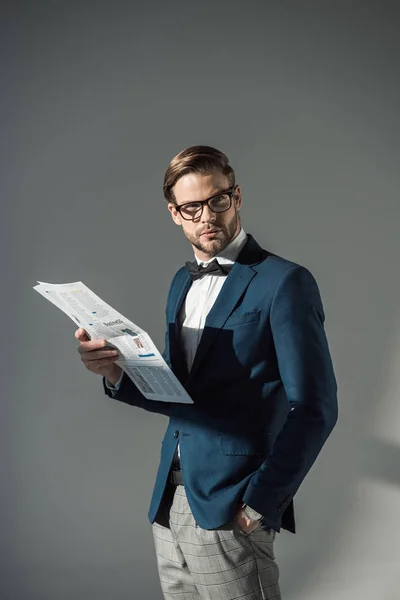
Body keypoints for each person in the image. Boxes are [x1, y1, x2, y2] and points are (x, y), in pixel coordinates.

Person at [75, 145, 338, 600]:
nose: (207, 217)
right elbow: (182, 394)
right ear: (175, 213)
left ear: (236, 197)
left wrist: (260, 503)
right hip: (170, 503)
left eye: (217, 200)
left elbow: (315, 408)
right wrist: (115, 371)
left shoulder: (285, 282)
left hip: (233, 503)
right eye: (192, 207)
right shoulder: (182, 282)